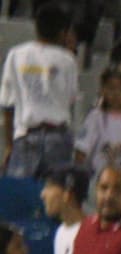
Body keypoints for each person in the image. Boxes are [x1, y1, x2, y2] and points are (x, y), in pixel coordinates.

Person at [0, 4, 82, 182]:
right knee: (52, 197)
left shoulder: (15, 54)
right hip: (58, 136)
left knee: (19, 197)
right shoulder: (68, 60)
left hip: (26, 135)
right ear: (63, 32)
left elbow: (7, 105)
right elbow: (71, 99)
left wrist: (9, 145)